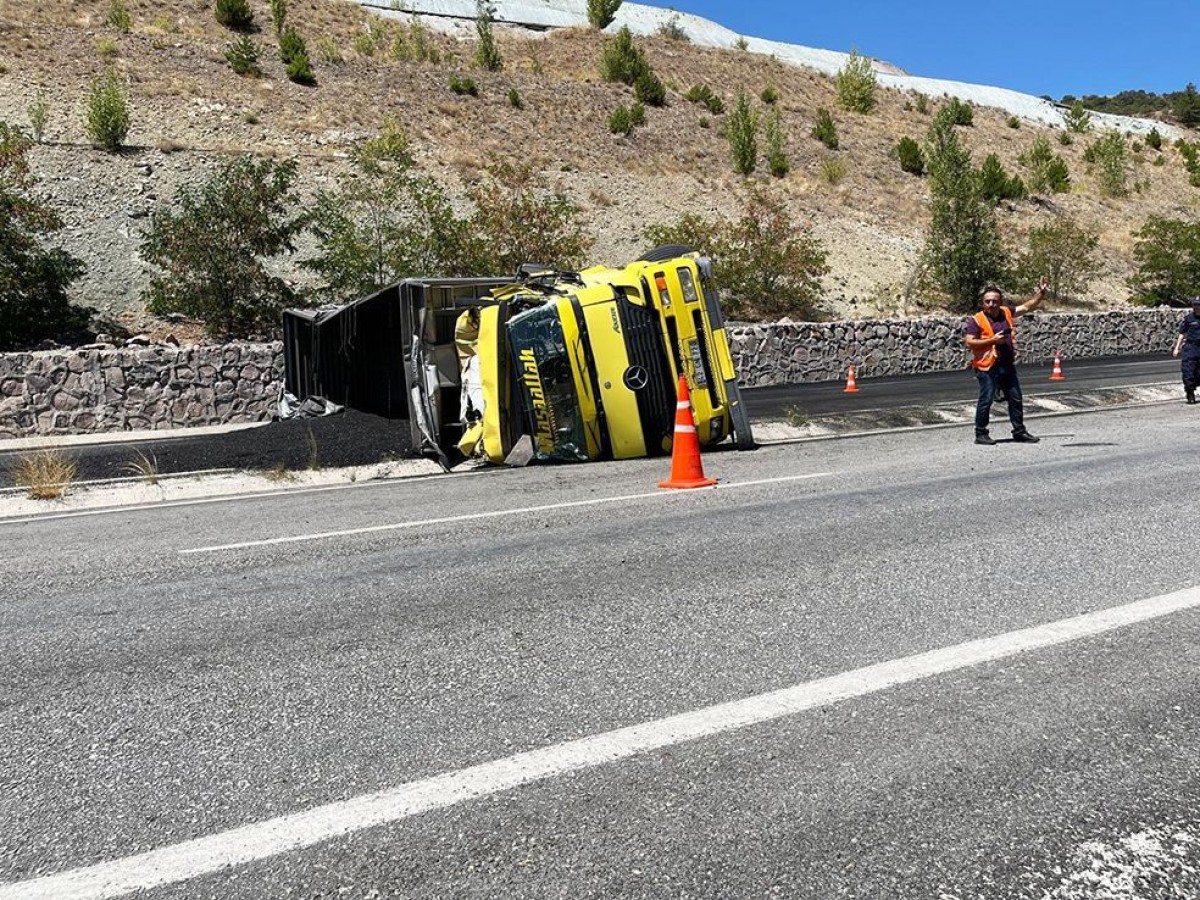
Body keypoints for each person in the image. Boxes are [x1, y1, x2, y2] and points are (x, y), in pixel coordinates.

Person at [963, 278, 1049, 445]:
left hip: (1006, 365)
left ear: (1000, 302)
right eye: (987, 301)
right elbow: (969, 342)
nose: (991, 304)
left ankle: (1019, 431)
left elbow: (1027, 306)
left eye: (994, 301)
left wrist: (1041, 294)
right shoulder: (977, 320)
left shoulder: (1006, 312)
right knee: (986, 399)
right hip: (987, 367)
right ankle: (980, 433)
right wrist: (993, 341)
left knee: (1016, 398)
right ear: (983, 303)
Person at [1171, 296, 1200, 405]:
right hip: (1191, 347)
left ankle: (1194, 387)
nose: (1196, 307)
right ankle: (1190, 393)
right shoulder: (1189, 318)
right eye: (1195, 305)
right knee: (1188, 371)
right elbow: (1182, 333)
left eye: (1198, 305)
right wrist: (1177, 348)